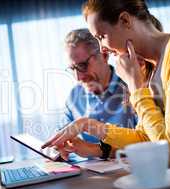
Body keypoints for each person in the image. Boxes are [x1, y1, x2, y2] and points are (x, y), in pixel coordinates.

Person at [43, 0, 170, 165]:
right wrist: (86, 125)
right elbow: (146, 138)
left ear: (125, 20)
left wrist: (136, 88)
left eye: (101, 37)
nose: (103, 49)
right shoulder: (149, 67)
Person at [52, 28, 137, 160]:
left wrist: (95, 149)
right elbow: (59, 136)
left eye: (82, 66)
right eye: (72, 69)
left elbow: (146, 143)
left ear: (104, 55)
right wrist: (60, 147)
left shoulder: (133, 87)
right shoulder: (74, 97)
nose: (78, 78)